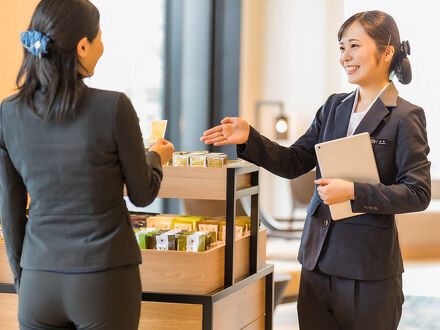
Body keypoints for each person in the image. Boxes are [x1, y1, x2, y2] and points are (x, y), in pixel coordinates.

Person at [201, 10, 431, 330]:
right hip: (317, 263)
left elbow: (417, 192)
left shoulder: (405, 116)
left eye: (354, 46)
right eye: (340, 47)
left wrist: (353, 191)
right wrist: (249, 137)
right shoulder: (333, 106)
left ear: (387, 51)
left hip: (368, 271)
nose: (345, 56)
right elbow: (294, 162)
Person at [0, 0, 174, 329]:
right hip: (104, 281)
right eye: (99, 38)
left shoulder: (8, 113)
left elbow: (9, 209)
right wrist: (157, 157)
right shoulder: (114, 108)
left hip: (39, 280)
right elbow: (142, 192)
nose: (102, 47)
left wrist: (24, 280)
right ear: (82, 46)